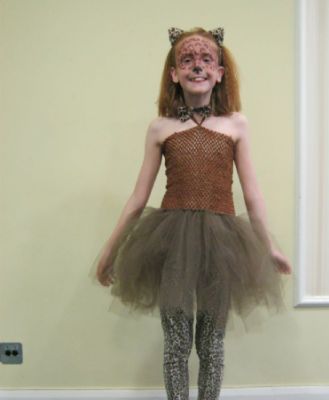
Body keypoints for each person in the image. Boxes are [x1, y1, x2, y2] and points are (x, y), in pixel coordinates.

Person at [95, 26, 292, 400]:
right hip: (172, 240)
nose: (197, 66)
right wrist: (110, 250)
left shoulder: (235, 124)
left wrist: (268, 246)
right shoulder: (160, 128)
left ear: (219, 72)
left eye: (205, 60)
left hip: (223, 243)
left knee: (211, 342)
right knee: (176, 341)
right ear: (174, 73)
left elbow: (252, 194)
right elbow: (138, 197)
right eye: (187, 60)